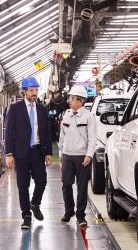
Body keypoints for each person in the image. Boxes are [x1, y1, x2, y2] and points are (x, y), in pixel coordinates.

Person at [5, 77, 53, 229]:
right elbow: (9, 132)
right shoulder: (15, 108)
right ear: (24, 92)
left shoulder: (42, 109)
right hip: (21, 154)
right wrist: (9, 154)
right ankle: (26, 215)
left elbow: (46, 131)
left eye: (36, 90)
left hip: (37, 151)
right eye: (31, 90)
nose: (34, 93)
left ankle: (35, 203)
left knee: (42, 181)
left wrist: (49, 152)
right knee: (23, 185)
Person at [58, 85, 97, 227]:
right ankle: (69, 211)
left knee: (82, 187)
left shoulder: (89, 117)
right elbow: (62, 135)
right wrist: (61, 154)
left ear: (80, 101)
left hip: (82, 157)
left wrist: (89, 155)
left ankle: (81, 215)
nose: (70, 100)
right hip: (68, 155)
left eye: (73, 98)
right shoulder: (66, 115)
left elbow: (92, 138)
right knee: (66, 184)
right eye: (70, 98)